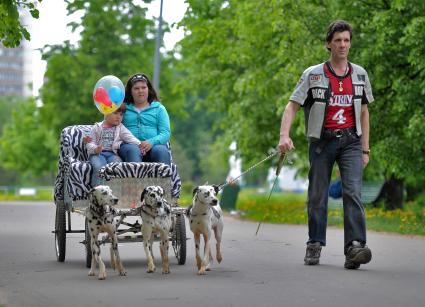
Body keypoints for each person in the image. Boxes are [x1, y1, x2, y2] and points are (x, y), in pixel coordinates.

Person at [278, 20, 373, 270]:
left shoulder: (360, 74)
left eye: (346, 40)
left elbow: (364, 112)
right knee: (318, 195)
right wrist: (284, 136)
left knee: (352, 193)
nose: (343, 45)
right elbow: (292, 106)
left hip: (352, 141)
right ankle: (315, 243)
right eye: (338, 40)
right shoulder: (313, 74)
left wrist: (365, 148)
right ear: (328, 44)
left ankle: (354, 247)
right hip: (322, 142)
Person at [118, 73, 171, 166]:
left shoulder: (159, 109)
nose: (140, 91)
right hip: (129, 147)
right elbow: (111, 124)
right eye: (136, 88)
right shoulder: (123, 108)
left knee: (161, 151)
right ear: (130, 91)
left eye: (143, 87)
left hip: (153, 147)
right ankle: (135, 180)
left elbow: (165, 133)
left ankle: (164, 180)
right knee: (133, 150)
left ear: (149, 89)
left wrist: (151, 142)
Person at [86, 104, 142, 187]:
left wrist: (140, 145)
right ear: (106, 113)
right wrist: (95, 149)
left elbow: (130, 137)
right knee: (99, 167)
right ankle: (96, 190)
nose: (118, 117)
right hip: (97, 154)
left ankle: (114, 191)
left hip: (112, 154)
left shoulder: (120, 128)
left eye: (121, 115)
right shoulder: (97, 127)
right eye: (115, 113)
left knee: (118, 166)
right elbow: (89, 143)